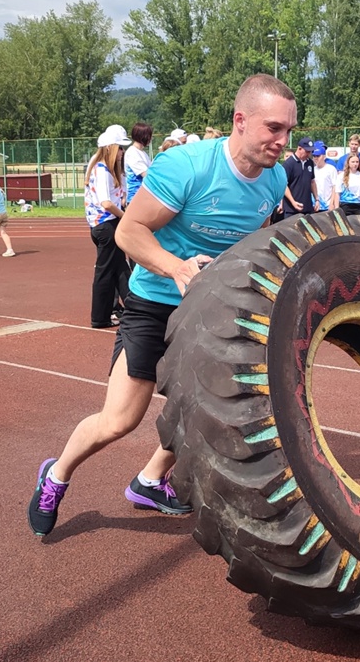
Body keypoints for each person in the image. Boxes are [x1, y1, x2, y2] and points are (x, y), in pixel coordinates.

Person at [27, 73, 296, 537]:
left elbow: (250, 245)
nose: (283, 140)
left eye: (288, 129)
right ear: (240, 120)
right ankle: (56, 474)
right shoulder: (185, 166)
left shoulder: (273, 181)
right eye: (274, 128)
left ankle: (150, 481)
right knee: (119, 420)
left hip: (212, 312)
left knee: (206, 411)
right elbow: (129, 232)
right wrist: (177, 268)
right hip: (154, 304)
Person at [84, 124, 132, 328]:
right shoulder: (102, 169)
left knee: (120, 269)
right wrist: (125, 217)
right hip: (105, 225)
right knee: (106, 272)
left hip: (106, 224)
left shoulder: (106, 169)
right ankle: (100, 317)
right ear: (111, 148)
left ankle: (133, 308)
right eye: (120, 148)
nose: (123, 152)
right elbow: (106, 202)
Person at [282, 136, 317, 218]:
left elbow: (312, 181)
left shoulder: (310, 163)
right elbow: (284, 185)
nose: (309, 154)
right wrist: (293, 202)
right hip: (291, 210)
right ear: (299, 148)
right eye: (307, 151)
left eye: (310, 151)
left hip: (308, 208)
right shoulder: (288, 164)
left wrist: (317, 199)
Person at [124, 122, 153, 210]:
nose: (151, 138)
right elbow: (146, 174)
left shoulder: (142, 153)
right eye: (149, 136)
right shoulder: (132, 152)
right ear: (143, 136)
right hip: (134, 196)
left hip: (142, 195)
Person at [312, 143, 338, 210]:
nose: (316, 158)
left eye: (318, 156)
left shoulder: (331, 169)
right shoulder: (312, 169)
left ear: (324, 156)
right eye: (314, 156)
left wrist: (332, 203)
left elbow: (335, 188)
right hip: (315, 206)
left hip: (327, 205)